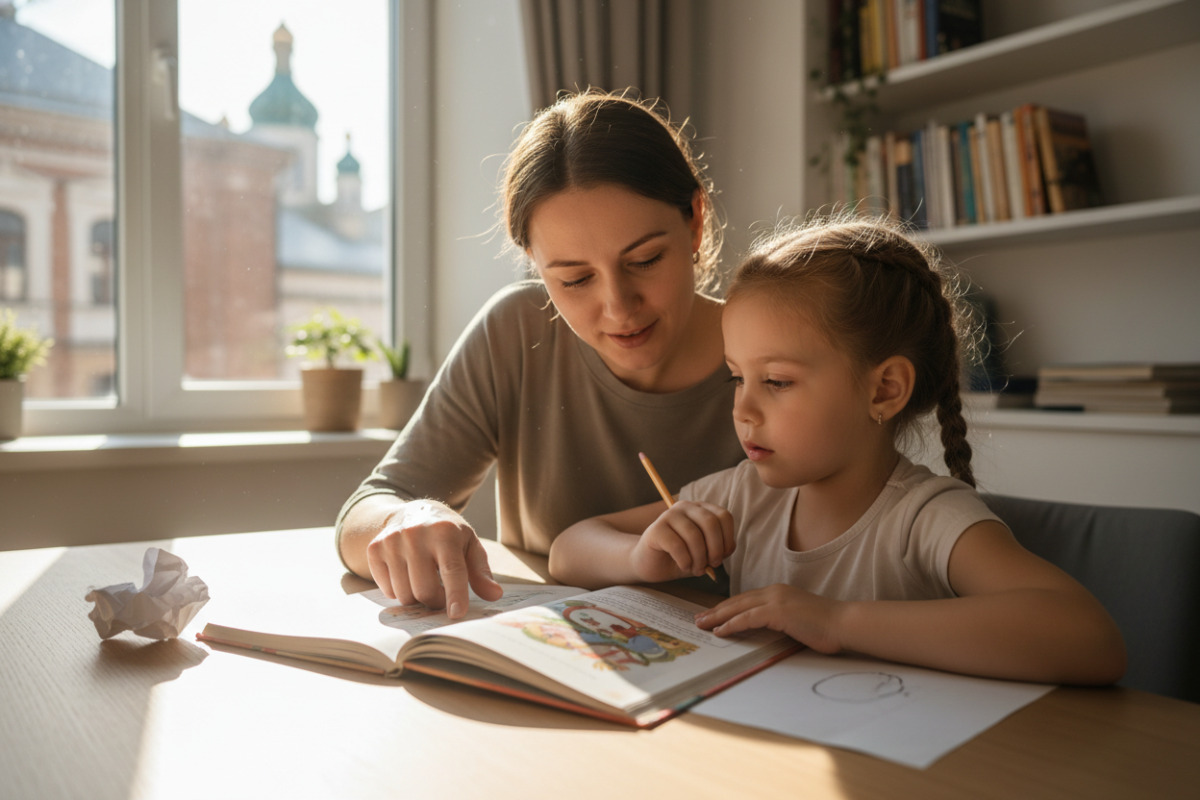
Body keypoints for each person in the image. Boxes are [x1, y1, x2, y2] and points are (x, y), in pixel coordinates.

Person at [548, 215, 1126, 686]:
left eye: (775, 382)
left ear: (884, 390)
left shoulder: (924, 518)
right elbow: (569, 550)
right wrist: (641, 557)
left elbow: (1090, 639)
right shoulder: (743, 495)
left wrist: (837, 620)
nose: (742, 410)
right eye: (735, 379)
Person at [336, 90, 745, 618]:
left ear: (695, 219)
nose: (618, 308)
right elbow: (369, 507)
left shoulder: (774, 355)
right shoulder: (516, 331)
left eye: (644, 260)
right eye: (574, 278)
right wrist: (404, 519)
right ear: (534, 260)